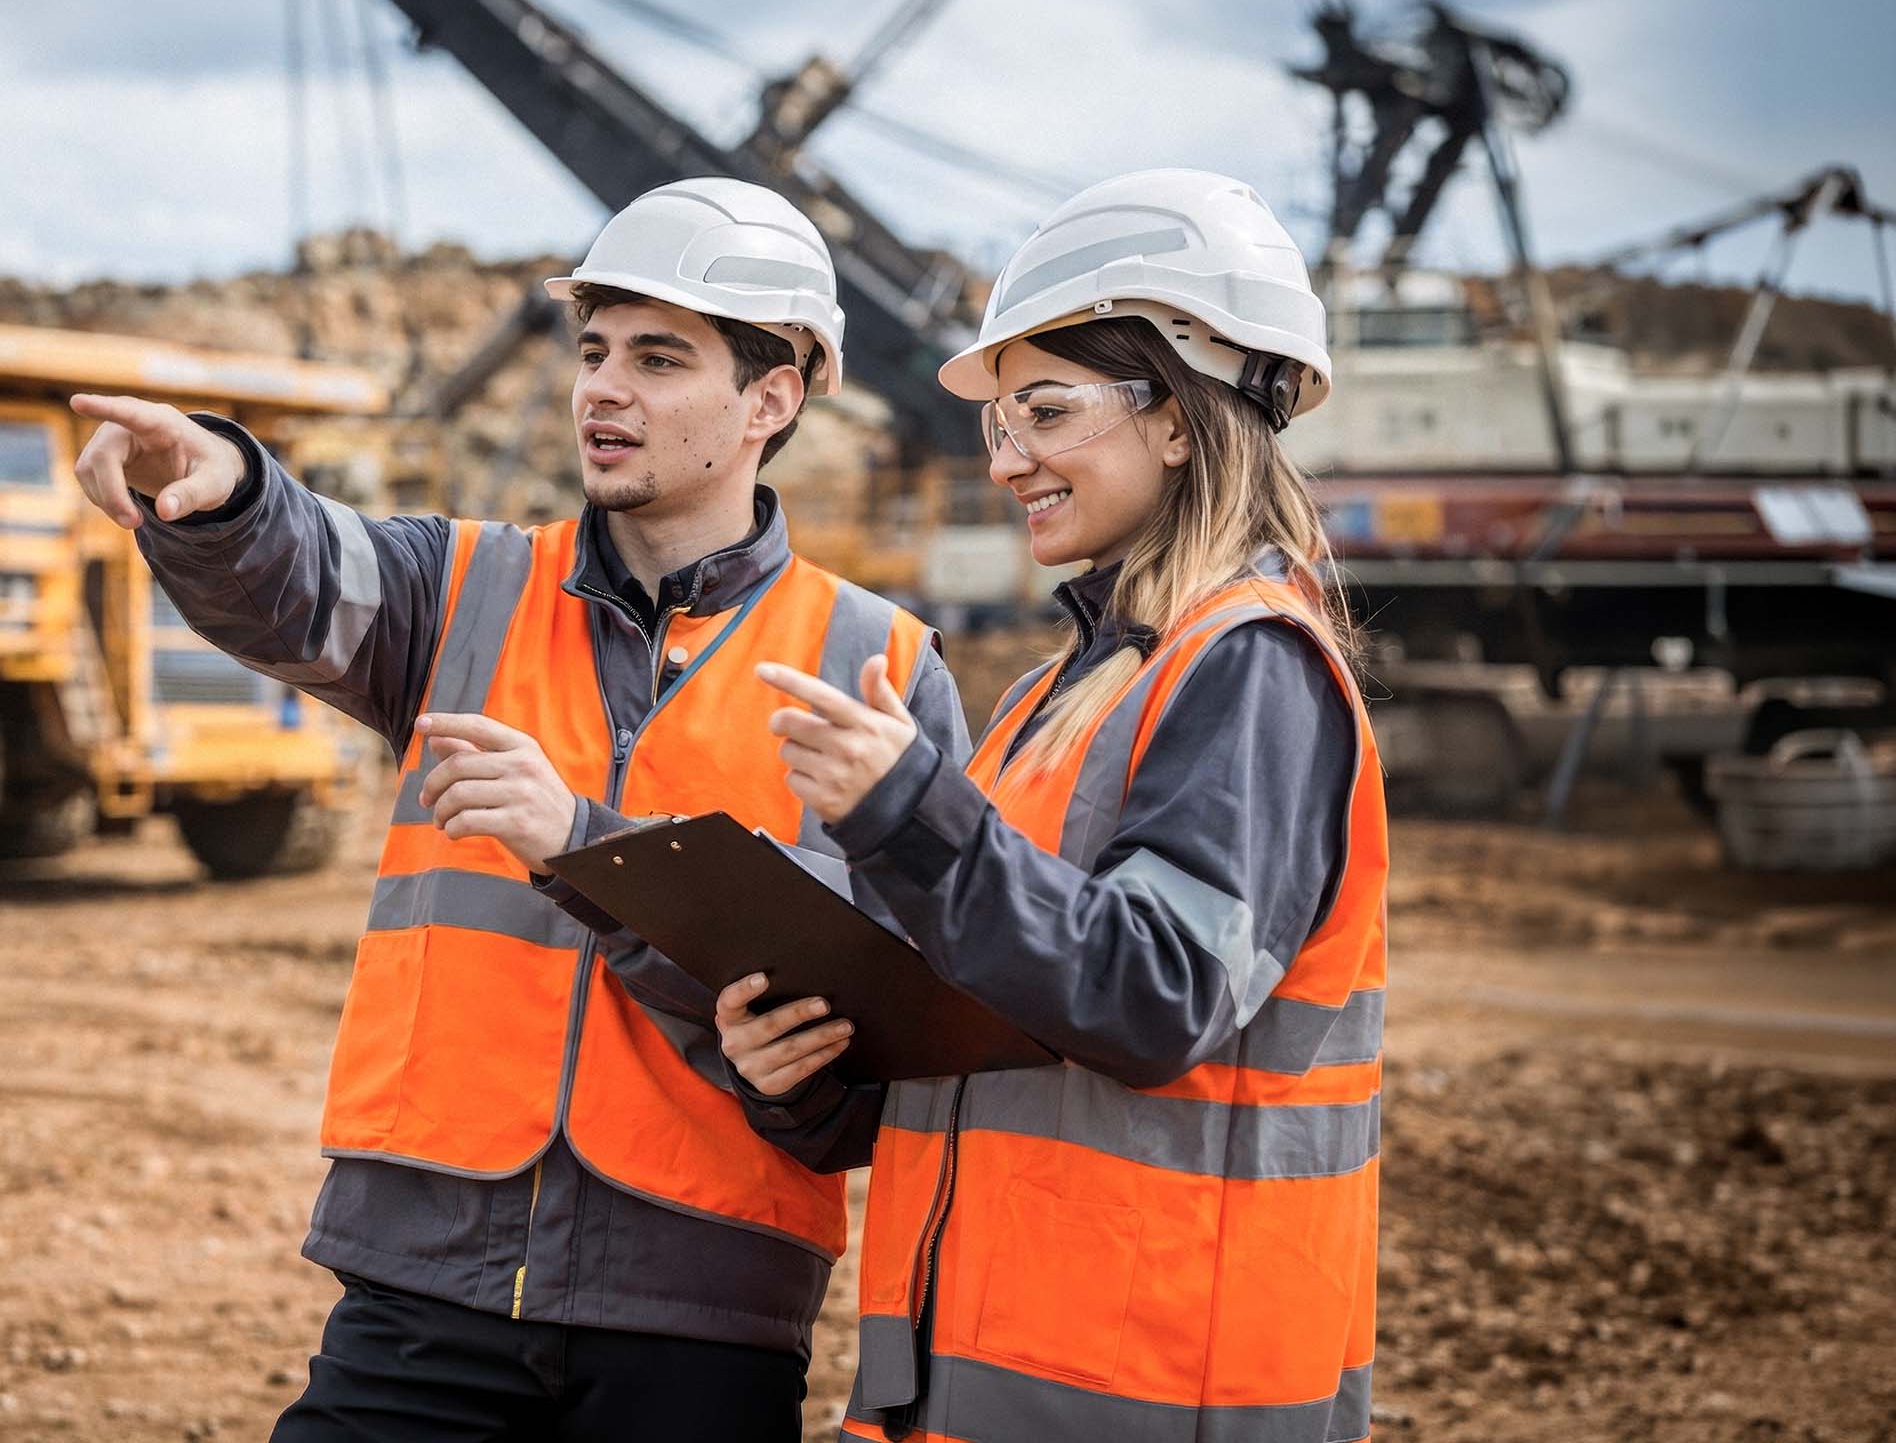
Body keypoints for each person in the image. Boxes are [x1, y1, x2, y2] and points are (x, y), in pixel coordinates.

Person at [69, 176, 970, 1442]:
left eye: (659, 359)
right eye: (593, 351)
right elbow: (303, 572)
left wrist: (585, 849)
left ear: (773, 397)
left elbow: (883, 1023)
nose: (603, 387)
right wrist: (218, 481)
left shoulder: (877, 664)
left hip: (697, 1308)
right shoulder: (467, 586)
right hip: (423, 1278)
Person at [718, 169, 1388, 1443]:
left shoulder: (1249, 669)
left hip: (1153, 1386)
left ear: (1185, 418)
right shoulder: (1049, 696)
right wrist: (811, 1080)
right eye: (998, 420)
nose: (1006, 456)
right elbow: (995, 1035)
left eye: (1044, 409)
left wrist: (911, 813)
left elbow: (1152, 996)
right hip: (982, 1379)